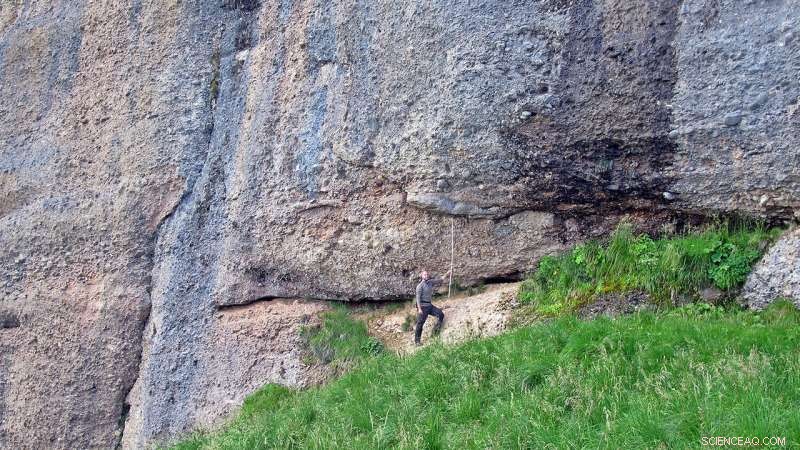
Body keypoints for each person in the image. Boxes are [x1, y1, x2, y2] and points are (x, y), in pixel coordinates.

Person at [414, 269, 449, 346]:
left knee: (440, 314)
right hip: (423, 307)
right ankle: (417, 341)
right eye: (424, 275)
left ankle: (435, 332)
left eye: (427, 274)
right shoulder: (420, 286)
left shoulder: (430, 282)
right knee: (420, 324)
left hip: (429, 305)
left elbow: (440, 280)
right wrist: (419, 309)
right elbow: (418, 299)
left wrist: (447, 273)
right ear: (421, 276)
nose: (426, 276)